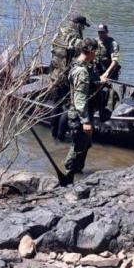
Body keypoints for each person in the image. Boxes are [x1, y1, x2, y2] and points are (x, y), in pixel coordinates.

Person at [64, 37, 101, 182]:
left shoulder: (81, 66)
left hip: (83, 113)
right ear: (90, 51)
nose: (95, 55)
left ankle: (77, 174)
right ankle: (67, 175)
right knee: (78, 146)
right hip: (80, 115)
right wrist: (85, 121)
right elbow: (79, 98)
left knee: (85, 144)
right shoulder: (81, 71)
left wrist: (98, 82)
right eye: (95, 52)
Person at [49, 14, 90, 139]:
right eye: (82, 27)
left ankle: (53, 133)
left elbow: (53, 51)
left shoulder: (59, 33)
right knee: (68, 106)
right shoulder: (77, 40)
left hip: (54, 74)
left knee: (56, 104)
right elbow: (81, 58)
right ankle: (60, 137)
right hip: (66, 76)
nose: (83, 29)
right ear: (78, 25)